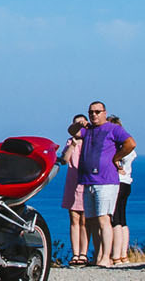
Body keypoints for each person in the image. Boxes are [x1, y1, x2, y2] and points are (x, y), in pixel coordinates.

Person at [75, 101, 135, 267]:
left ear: (104, 113)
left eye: (97, 111)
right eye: (91, 112)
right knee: (92, 220)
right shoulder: (88, 130)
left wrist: (116, 157)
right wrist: (79, 124)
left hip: (106, 181)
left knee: (104, 219)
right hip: (88, 180)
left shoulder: (113, 129)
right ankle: (98, 255)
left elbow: (131, 143)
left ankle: (106, 258)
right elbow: (72, 131)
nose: (94, 115)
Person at [58, 117, 89, 265]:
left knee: (84, 220)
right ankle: (75, 253)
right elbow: (64, 160)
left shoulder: (89, 141)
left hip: (85, 182)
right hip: (72, 182)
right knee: (74, 219)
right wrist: (72, 145)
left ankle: (83, 253)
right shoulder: (70, 142)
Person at [107, 114, 134, 264]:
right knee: (122, 219)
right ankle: (123, 254)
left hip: (116, 183)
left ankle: (116, 255)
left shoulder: (117, 148)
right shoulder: (128, 148)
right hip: (127, 183)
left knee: (115, 219)